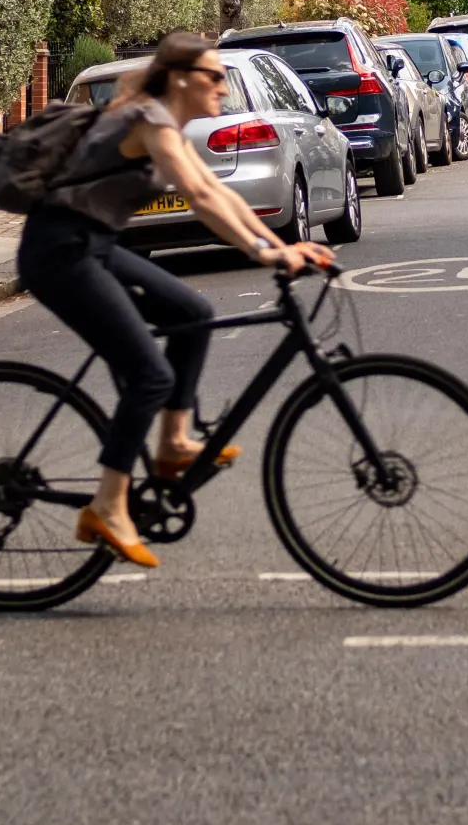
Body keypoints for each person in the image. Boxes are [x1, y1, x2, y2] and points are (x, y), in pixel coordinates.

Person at [21, 31, 333, 567]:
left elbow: (217, 193)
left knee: (194, 312)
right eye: (214, 76)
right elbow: (203, 197)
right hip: (59, 254)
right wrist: (269, 254)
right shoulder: (150, 119)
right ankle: (107, 505)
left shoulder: (164, 121)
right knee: (151, 375)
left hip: (92, 245)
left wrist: (280, 246)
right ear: (184, 79)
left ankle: (172, 444)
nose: (222, 86)